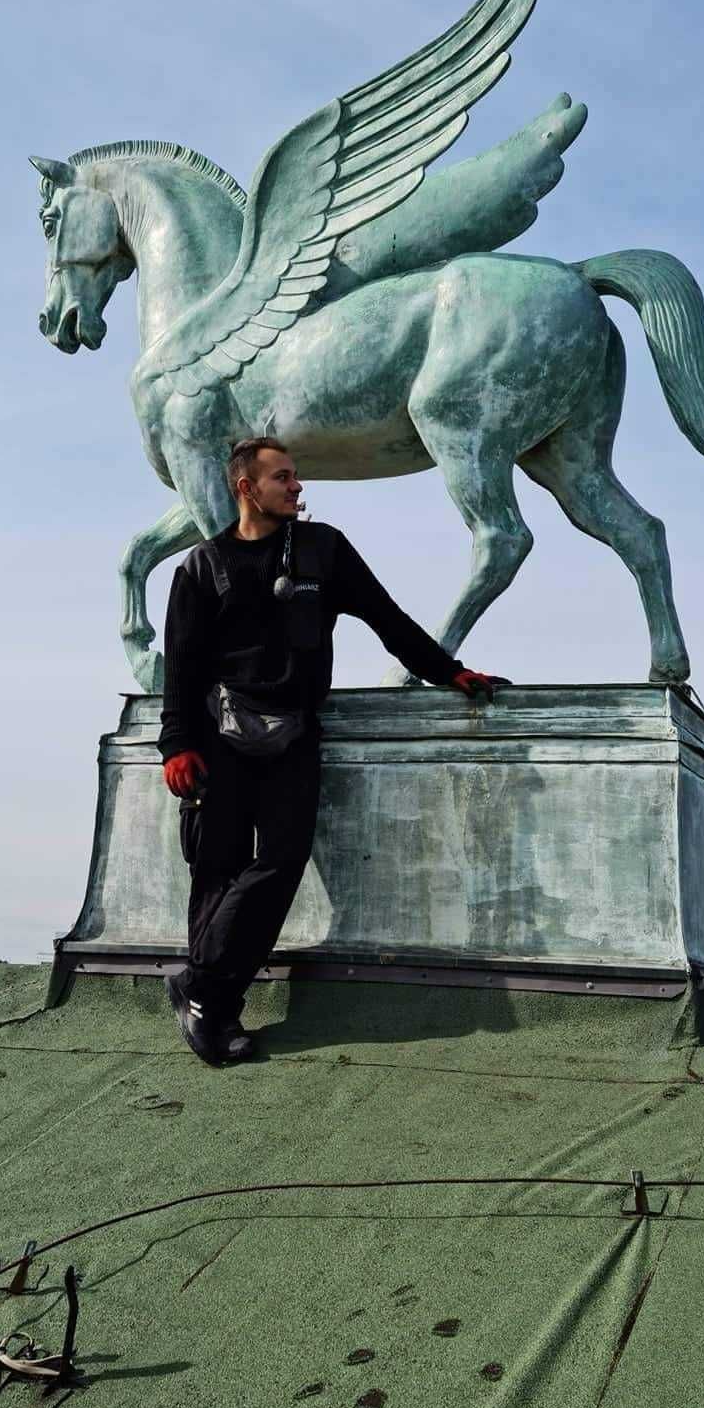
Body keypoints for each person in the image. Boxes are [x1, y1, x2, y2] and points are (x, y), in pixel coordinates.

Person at [159, 436, 505, 1065]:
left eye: (295, 477)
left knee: (281, 862)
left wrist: (447, 672)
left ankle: (199, 986)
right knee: (218, 870)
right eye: (283, 477)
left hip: (295, 732)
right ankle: (217, 1010)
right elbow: (180, 668)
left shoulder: (324, 550)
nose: (296, 487)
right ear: (246, 487)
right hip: (220, 736)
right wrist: (176, 745)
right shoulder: (201, 567)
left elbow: (387, 617)